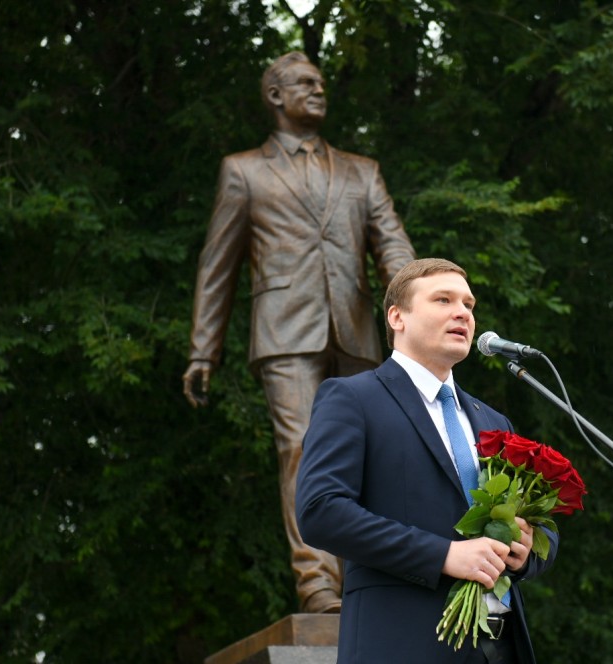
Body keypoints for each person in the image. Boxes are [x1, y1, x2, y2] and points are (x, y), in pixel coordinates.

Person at [182, 51, 415, 614]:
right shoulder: (244, 170)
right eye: (305, 84)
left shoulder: (362, 171)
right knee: (302, 450)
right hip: (285, 334)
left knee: (375, 455)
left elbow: (394, 249)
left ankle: (371, 581)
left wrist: (421, 308)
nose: (319, 90)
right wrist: (202, 350)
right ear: (274, 96)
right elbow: (218, 265)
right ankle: (318, 585)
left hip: (358, 328)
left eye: (322, 82)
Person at [296, 258, 559, 663]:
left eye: (469, 305)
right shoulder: (352, 399)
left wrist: (527, 552)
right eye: (443, 300)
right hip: (404, 643)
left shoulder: (492, 420)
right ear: (397, 317)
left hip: (503, 647)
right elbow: (321, 511)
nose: (463, 313)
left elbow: (539, 527)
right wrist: (443, 555)